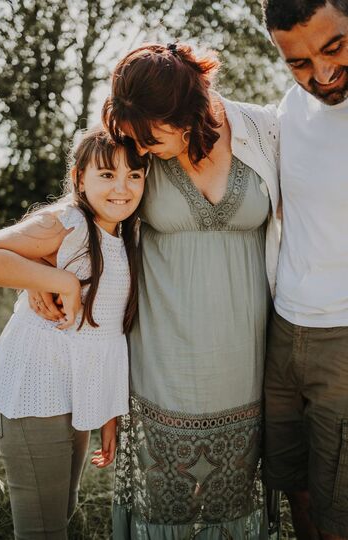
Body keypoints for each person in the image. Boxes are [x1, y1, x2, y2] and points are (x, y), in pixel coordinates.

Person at [99, 42, 281, 539]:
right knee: (165, 505)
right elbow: (83, 217)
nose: (142, 145)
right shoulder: (132, 151)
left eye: (152, 135)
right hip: (162, 364)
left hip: (248, 363)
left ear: (188, 114)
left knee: (236, 497)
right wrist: (48, 275)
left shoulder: (264, 131)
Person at [0, 129, 148, 539]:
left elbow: (108, 336)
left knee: (64, 508)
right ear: (79, 178)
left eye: (134, 175)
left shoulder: (126, 235)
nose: (122, 188)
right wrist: (60, 280)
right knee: (42, 528)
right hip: (31, 392)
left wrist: (107, 414)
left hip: (74, 394)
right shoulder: (67, 222)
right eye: (107, 175)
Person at [261, 1, 348, 539]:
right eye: (297, 61)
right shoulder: (285, 113)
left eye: (335, 47)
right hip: (281, 333)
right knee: (297, 492)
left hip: (344, 342)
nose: (321, 73)